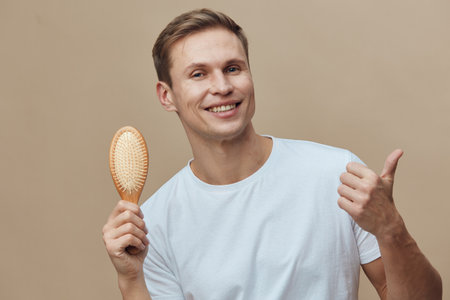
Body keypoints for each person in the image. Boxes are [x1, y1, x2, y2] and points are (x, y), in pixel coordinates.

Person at [102, 8, 442, 300]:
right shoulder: (154, 224)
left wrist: (391, 229)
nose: (221, 86)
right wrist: (131, 279)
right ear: (167, 95)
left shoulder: (337, 175)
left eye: (233, 68)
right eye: (198, 74)